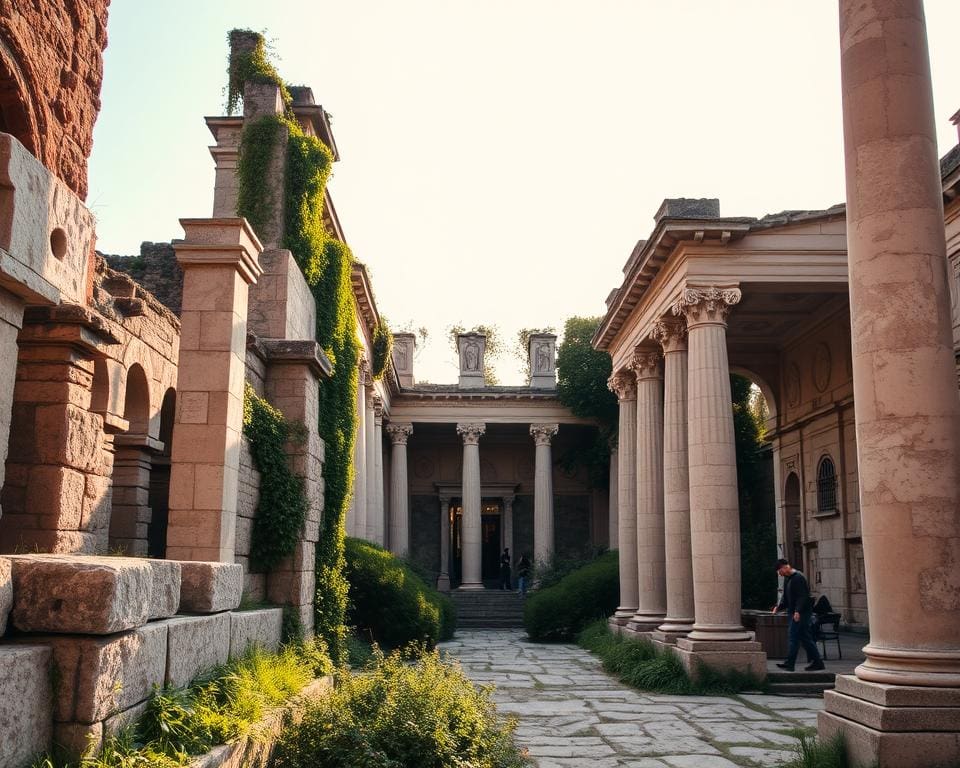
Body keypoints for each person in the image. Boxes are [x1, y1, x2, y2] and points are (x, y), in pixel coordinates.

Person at [772, 557, 825, 671]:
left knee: (793, 637)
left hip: (801, 613)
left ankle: (790, 664)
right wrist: (779, 607)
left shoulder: (798, 578)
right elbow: (786, 597)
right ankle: (817, 662)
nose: (780, 574)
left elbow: (802, 596)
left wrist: (798, 611)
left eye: (780, 572)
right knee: (804, 638)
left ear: (784, 568)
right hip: (794, 612)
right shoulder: (788, 578)